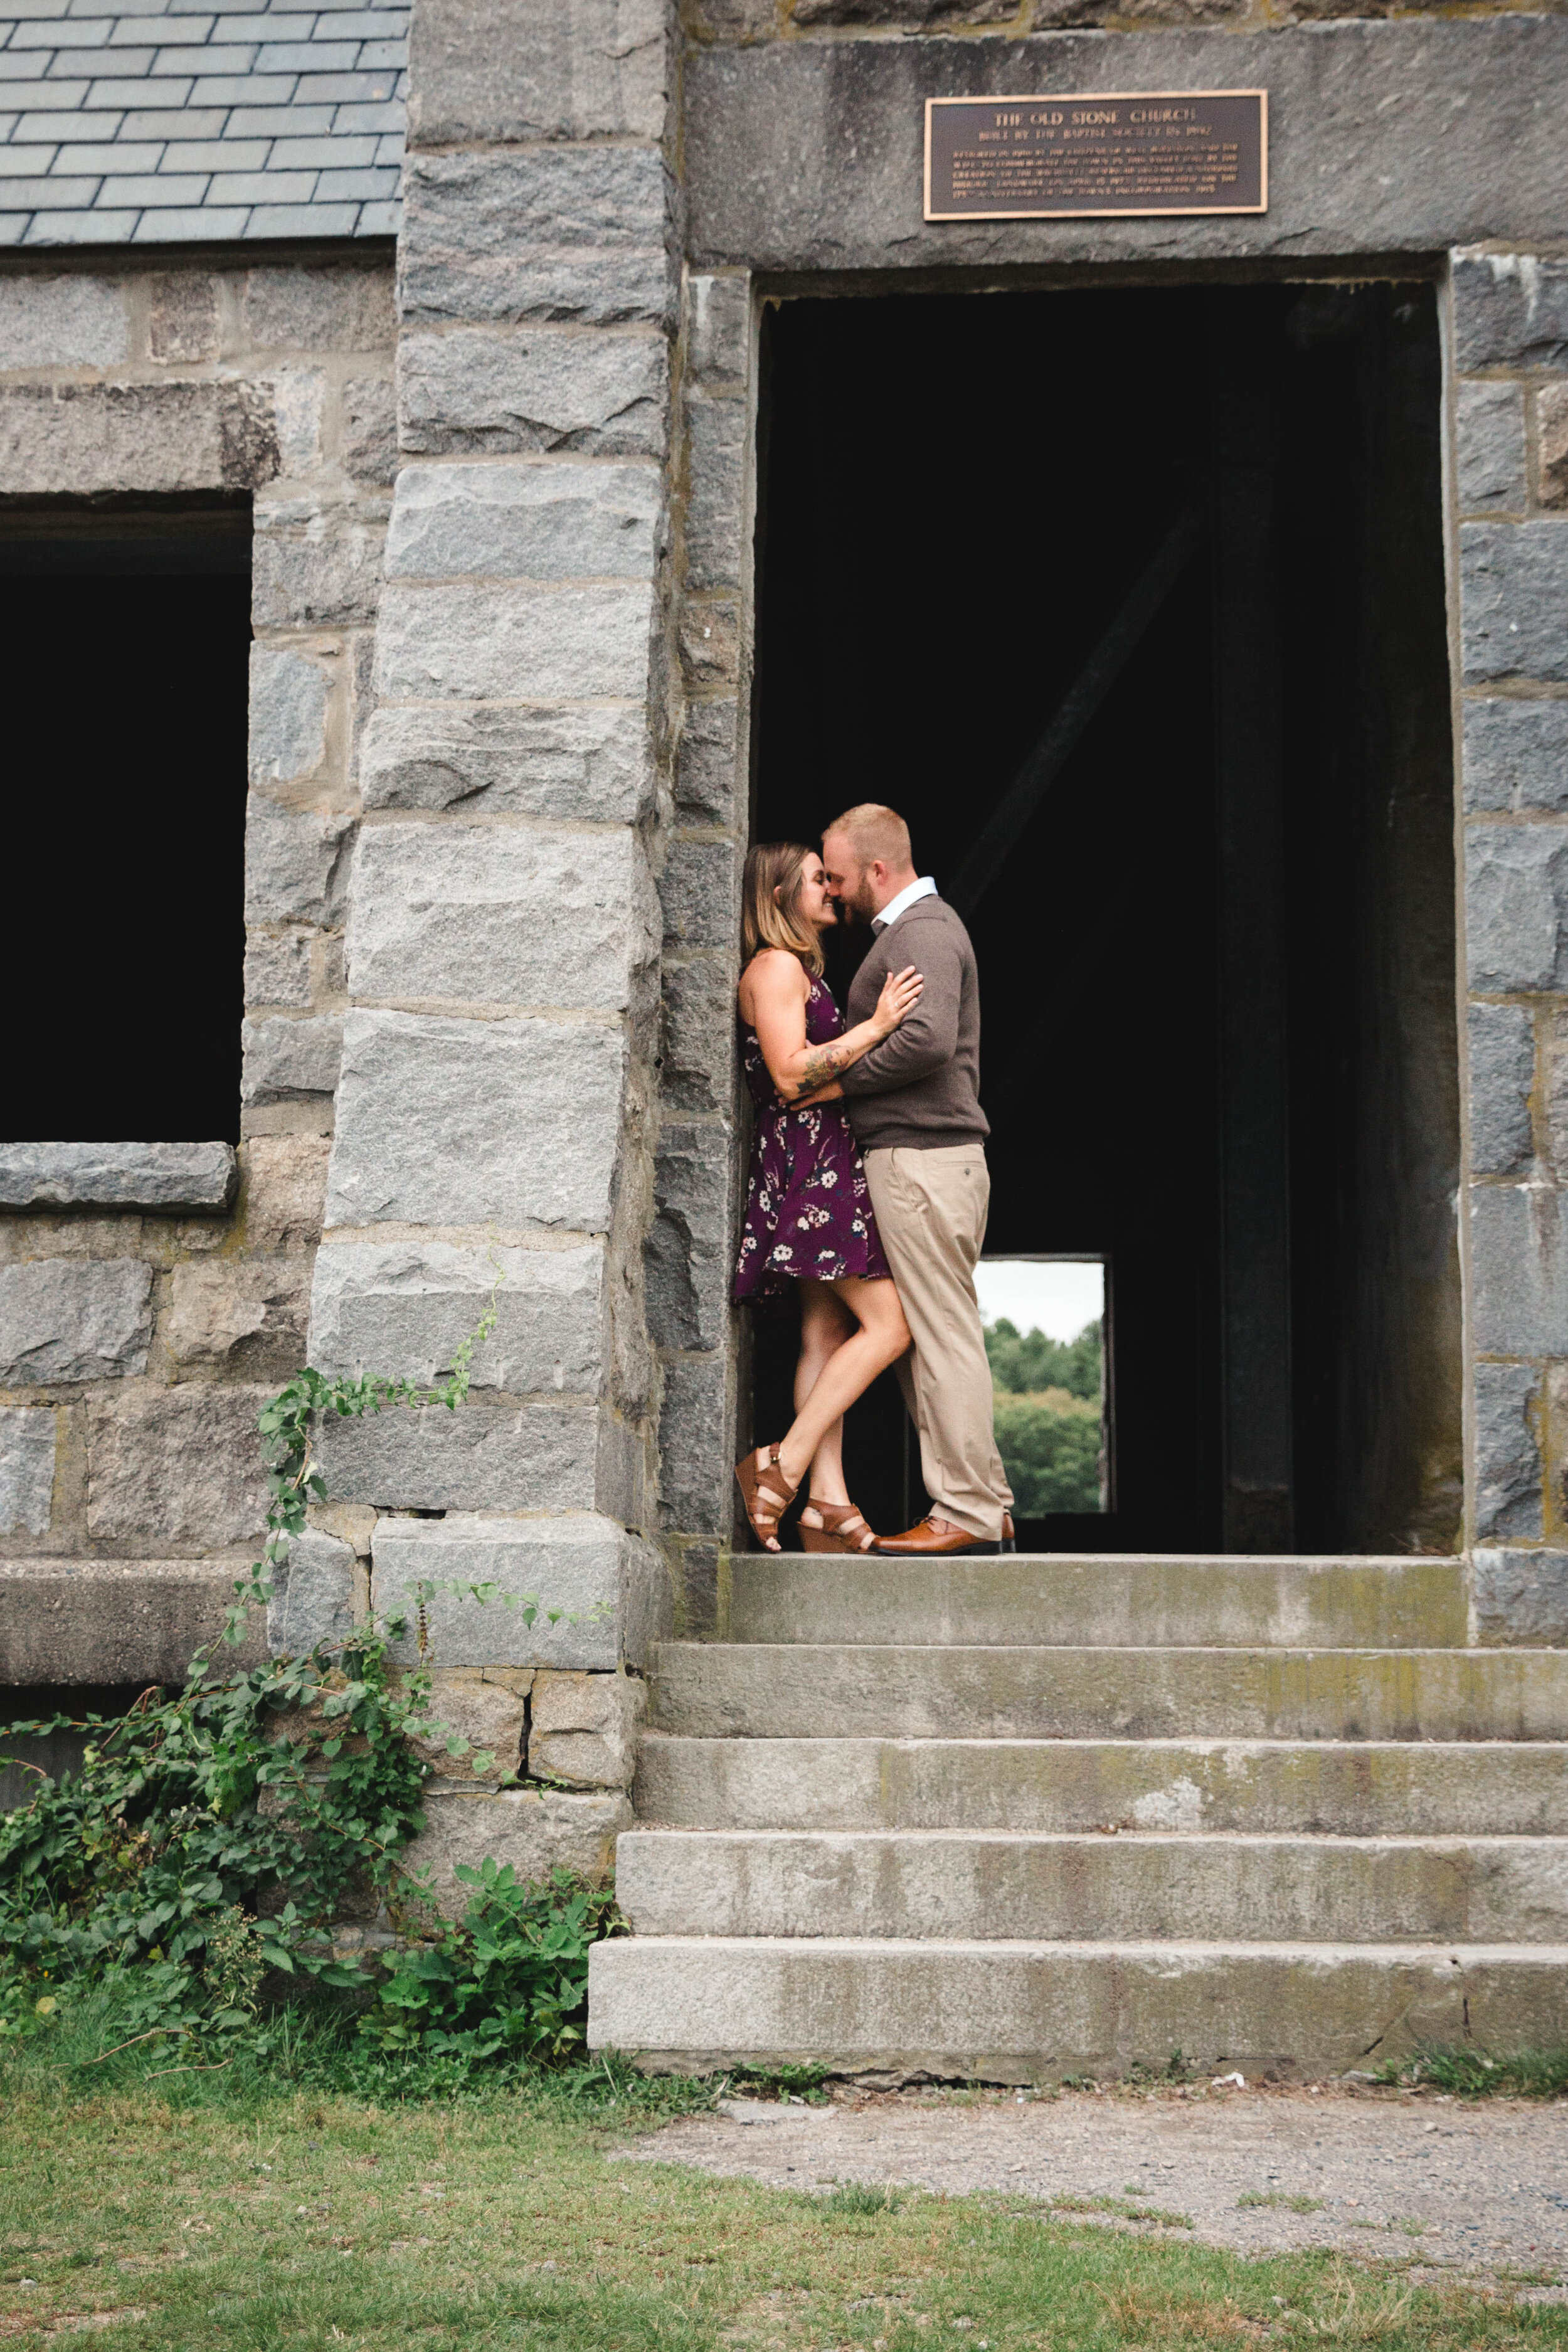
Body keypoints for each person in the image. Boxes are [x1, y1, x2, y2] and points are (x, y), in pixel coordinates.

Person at [818, 803, 1015, 1558]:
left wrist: (834, 1083)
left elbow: (927, 1041)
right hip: (932, 1161)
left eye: (837, 877)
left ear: (876, 868)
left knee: (940, 1337)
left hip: (922, 1160)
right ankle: (985, 1502)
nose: (833, 893)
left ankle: (963, 1508)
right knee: (940, 1332)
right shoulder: (914, 931)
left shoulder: (923, 930)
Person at [732, 841, 922, 1554]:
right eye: (817, 878)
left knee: (825, 1334)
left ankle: (826, 1503)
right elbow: (787, 1076)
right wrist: (876, 1028)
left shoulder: (796, 968)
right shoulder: (777, 966)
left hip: (820, 1158)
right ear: (781, 894)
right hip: (813, 1165)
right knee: (891, 1325)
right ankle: (782, 1465)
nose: (831, 888)